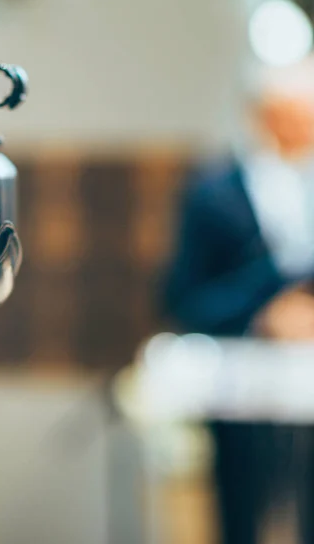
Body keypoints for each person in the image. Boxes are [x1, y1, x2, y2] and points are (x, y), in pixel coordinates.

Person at [162, 58, 314, 544]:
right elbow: (185, 300)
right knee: (241, 517)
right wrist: (263, 315)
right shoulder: (214, 193)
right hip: (243, 390)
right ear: (264, 113)